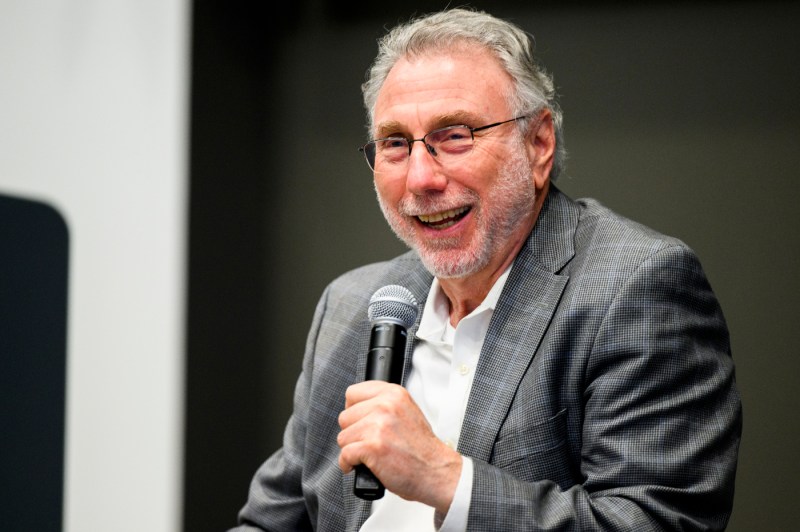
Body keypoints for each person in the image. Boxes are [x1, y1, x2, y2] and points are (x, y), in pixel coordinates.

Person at [230, 7, 742, 531]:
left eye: (455, 135)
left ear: (538, 144)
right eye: (395, 144)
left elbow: (658, 521)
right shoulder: (350, 304)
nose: (421, 178)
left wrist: (446, 479)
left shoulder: (635, 285)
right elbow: (273, 521)